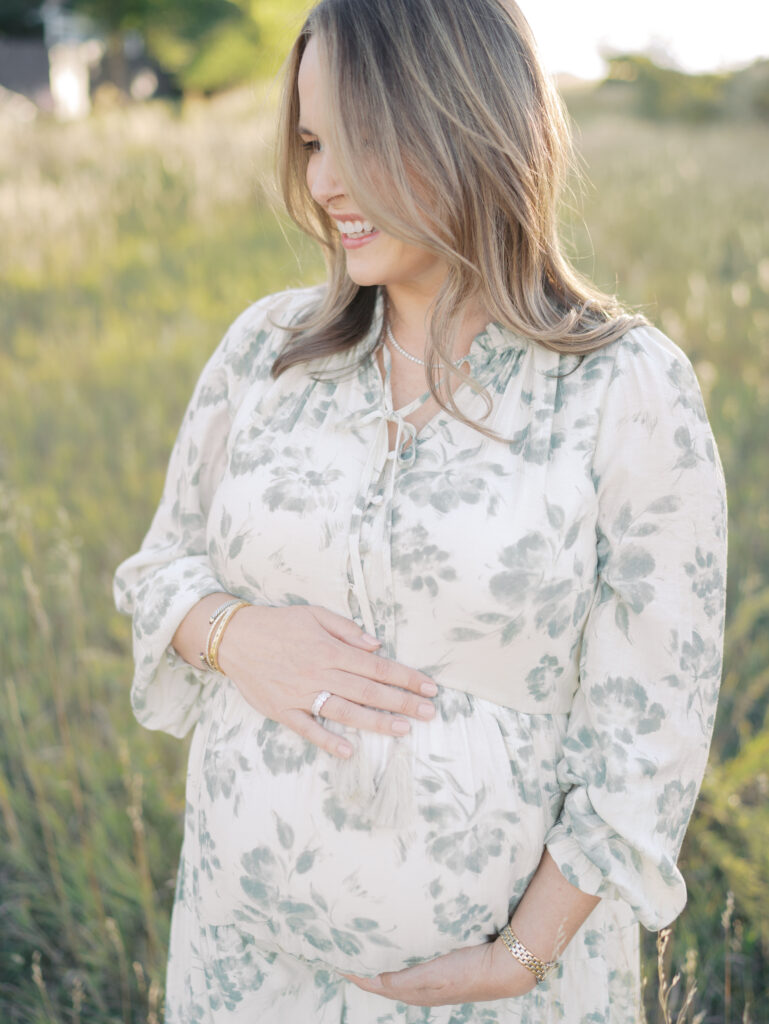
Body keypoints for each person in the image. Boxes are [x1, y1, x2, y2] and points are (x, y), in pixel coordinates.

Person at [113, 1, 728, 1021]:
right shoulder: (266, 350)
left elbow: (647, 726)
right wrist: (234, 635)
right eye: (311, 143)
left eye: (356, 141)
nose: (322, 182)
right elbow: (159, 568)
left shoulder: (624, 389)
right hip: (243, 964)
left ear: (468, 120)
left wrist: (519, 960)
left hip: (496, 990)